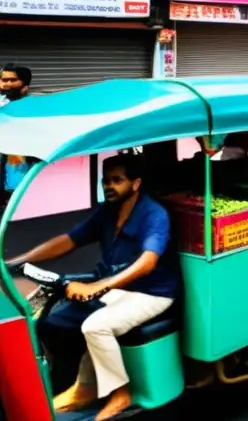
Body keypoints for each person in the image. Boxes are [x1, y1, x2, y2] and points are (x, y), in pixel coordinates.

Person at [4, 154, 179, 420]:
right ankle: (75, 382)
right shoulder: (106, 211)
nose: (109, 185)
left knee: (95, 326)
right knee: (51, 322)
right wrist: (16, 261)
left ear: (135, 183)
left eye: (117, 180)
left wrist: (98, 286)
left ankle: (121, 394)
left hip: (150, 292)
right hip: (114, 287)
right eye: (105, 180)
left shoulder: (154, 215)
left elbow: (147, 263)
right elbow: (69, 240)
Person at [0, 64, 33, 211]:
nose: (7, 84)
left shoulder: (34, 108)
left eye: (12, 80)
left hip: (18, 164)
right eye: (3, 80)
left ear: (25, 85)